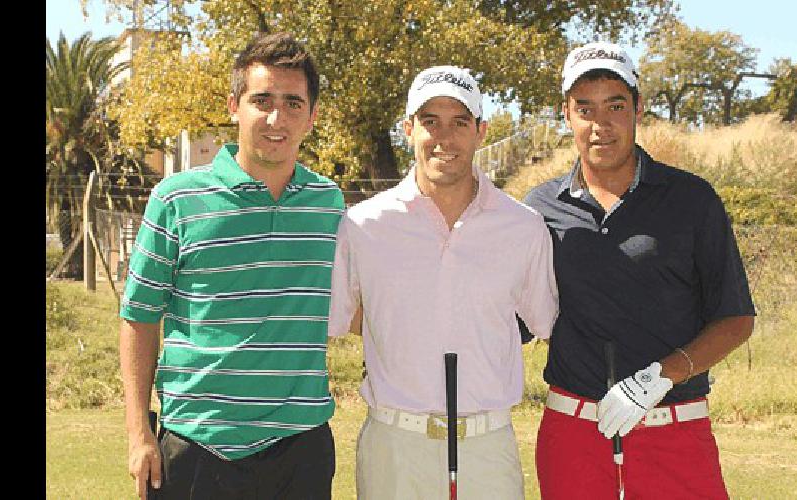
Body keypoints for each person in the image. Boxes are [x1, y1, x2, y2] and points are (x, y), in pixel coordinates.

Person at [523, 42, 756, 499]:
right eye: (585, 108)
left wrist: (660, 377)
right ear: (566, 115)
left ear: (638, 109)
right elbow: (510, 318)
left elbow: (736, 318)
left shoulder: (691, 200)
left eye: (615, 105)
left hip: (674, 431)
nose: (600, 124)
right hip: (573, 434)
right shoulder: (538, 210)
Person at [118, 32, 343, 500]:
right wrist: (139, 433)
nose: (276, 118)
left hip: (300, 450)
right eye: (262, 100)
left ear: (312, 115)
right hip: (196, 448)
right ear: (234, 105)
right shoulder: (175, 199)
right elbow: (139, 317)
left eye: (293, 103)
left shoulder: (330, 206)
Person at [327, 65, 559, 499]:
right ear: (408, 129)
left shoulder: (524, 227)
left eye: (459, 123)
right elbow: (346, 317)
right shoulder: (363, 224)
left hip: (487, 445)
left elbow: (544, 322)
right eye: (430, 121)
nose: (444, 138)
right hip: (394, 444)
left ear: (481, 131)